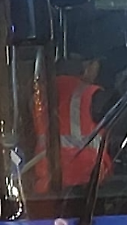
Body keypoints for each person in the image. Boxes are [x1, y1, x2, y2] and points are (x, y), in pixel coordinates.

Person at [33, 49, 114, 193]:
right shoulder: (92, 95)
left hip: (47, 186)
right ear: (87, 67)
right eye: (97, 64)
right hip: (87, 186)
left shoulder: (39, 94)